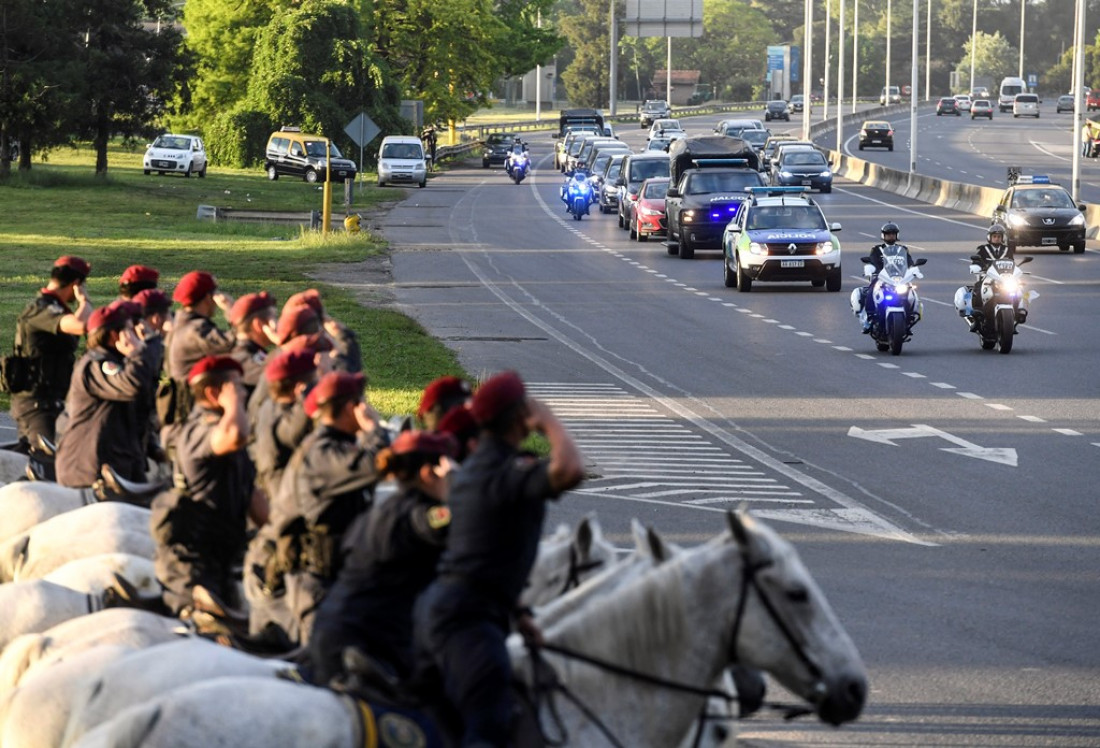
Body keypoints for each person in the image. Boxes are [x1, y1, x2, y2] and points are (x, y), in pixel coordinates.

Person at [414, 370, 585, 747]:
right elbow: (571, 469)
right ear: (521, 416)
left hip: (443, 610)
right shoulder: (508, 470)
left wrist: (520, 613)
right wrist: (550, 423)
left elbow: (481, 553)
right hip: (469, 624)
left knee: (443, 726)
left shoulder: (473, 469)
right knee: (489, 729)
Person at [310, 430, 457, 687]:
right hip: (366, 645)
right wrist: (458, 488)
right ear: (427, 474)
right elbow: (447, 522)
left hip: (332, 635)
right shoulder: (417, 514)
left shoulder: (382, 510)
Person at [257, 371, 386, 646]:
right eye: (361, 403)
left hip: (332, 578)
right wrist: (374, 430)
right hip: (314, 582)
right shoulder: (322, 452)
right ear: (351, 408)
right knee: (322, 666)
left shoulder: (334, 446)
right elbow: (377, 464)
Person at [150, 355, 258, 618]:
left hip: (222, 559)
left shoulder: (225, 432)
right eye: (236, 387)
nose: (243, 393)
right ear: (214, 393)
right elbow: (236, 435)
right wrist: (232, 405)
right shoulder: (201, 430)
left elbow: (252, 495)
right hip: (194, 567)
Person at [55, 301, 155, 487]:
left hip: (115, 463)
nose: (135, 335)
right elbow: (132, 386)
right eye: (129, 330)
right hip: (89, 468)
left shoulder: (118, 362)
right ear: (114, 335)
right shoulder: (97, 365)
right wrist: (138, 353)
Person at [8, 256, 94, 457]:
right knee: (45, 463)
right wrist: (85, 301)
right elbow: (81, 325)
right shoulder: (44, 308)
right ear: (75, 284)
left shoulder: (53, 307)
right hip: (37, 405)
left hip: (49, 401)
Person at [161, 271, 235, 433]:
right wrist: (231, 311)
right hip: (194, 411)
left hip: (182, 407)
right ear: (208, 298)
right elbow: (234, 344)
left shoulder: (180, 324)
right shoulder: (196, 330)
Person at [860, 222, 914, 330]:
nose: (891, 236)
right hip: (882, 277)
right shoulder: (876, 249)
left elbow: (909, 261)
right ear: (883, 235)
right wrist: (874, 270)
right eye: (888, 234)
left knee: (911, 290)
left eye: (893, 234)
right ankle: (869, 316)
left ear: (897, 235)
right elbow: (873, 261)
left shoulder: (902, 249)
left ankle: (910, 314)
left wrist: (913, 268)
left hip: (899, 277)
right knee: (871, 289)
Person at [227, 291, 279, 399]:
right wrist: (285, 343)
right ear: (258, 325)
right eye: (274, 318)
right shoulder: (247, 360)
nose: (277, 324)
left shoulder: (239, 350)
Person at [967, 223, 1015, 330]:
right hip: (987, 277)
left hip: (1004, 279)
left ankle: (1018, 311)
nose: (997, 239)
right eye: (994, 236)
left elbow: (1012, 263)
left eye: (999, 237)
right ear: (990, 237)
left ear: (1002, 238)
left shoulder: (1007, 250)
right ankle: (977, 315)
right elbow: (976, 261)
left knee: (1018, 289)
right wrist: (977, 267)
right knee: (978, 289)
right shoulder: (983, 249)